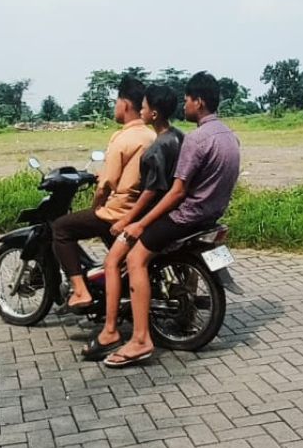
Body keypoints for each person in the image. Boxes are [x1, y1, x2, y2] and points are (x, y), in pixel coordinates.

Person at [102, 71, 241, 368]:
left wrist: (138, 223)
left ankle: (140, 339)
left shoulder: (197, 139)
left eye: (189, 100)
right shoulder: (230, 136)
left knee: (135, 258)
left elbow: (177, 193)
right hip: (211, 216)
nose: (185, 105)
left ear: (199, 102)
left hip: (187, 217)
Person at [82, 83, 183, 361]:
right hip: (168, 213)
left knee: (113, 261)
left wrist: (129, 219)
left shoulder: (156, 148)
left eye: (145, 106)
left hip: (148, 215)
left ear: (154, 113)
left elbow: (150, 191)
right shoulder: (178, 138)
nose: (141, 109)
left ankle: (111, 330)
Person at [51, 75, 153, 312]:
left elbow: (105, 184)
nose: (115, 107)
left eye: (116, 101)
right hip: (142, 208)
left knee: (61, 228)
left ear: (125, 104)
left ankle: (80, 290)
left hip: (120, 210)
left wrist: (96, 206)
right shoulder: (151, 135)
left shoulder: (122, 138)